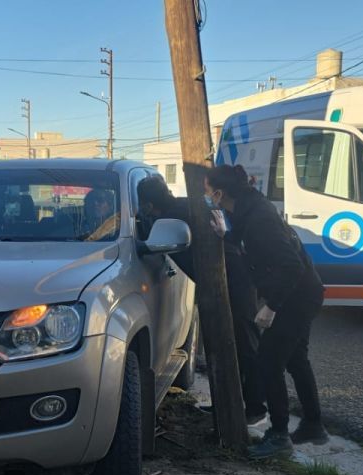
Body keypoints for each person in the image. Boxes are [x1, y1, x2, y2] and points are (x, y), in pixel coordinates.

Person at [205, 164, 329, 457]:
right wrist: (227, 235)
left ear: (220, 194)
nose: (207, 197)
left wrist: (271, 308)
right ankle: (313, 424)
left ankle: (279, 436)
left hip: (296, 296)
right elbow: (251, 243)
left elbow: (291, 266)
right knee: (296, 359)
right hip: (304, 291)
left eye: (208, 192)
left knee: (268, 361)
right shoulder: (249, 209)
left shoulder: (259, 218)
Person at [137, 176, 268, 424]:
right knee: (223, 345)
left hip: (234, 279)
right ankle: (228, 405)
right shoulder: (185, 206)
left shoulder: (174, 216)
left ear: (148, 204)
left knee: (243, 343)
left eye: (143, 205)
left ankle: (255, 408)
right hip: (226, 280)